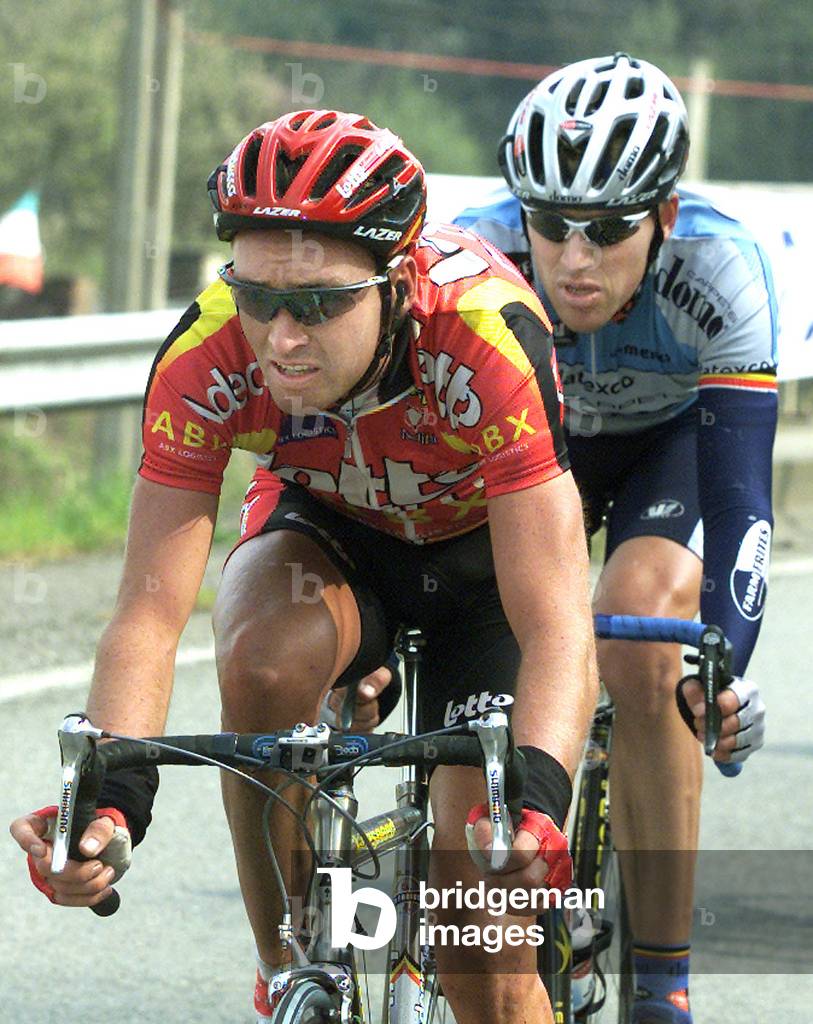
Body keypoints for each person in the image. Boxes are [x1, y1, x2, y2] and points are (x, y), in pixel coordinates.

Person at [12, 109, 600, 1024]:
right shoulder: (208, 353)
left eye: (320, 304)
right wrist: (109, 801)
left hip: (485, 570)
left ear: (396, 283)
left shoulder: (486, 337)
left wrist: (539, 802)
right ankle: (287, 960)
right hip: (332, 534)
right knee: (259, 656)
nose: (282, 336)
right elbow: (148, 614)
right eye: (257, 297)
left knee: (480, 937)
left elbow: (558, 622)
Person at [455, 53, 773, 1024]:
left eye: (607, 229)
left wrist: (717, 667)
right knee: (481, 625)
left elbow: (742, 501)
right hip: (529, 443)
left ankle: (660, 980)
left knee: (637, 632)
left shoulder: (720, 267)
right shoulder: (473, 253)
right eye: (550, 224)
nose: (573, 258)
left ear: (664, 216)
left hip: (665, 447)